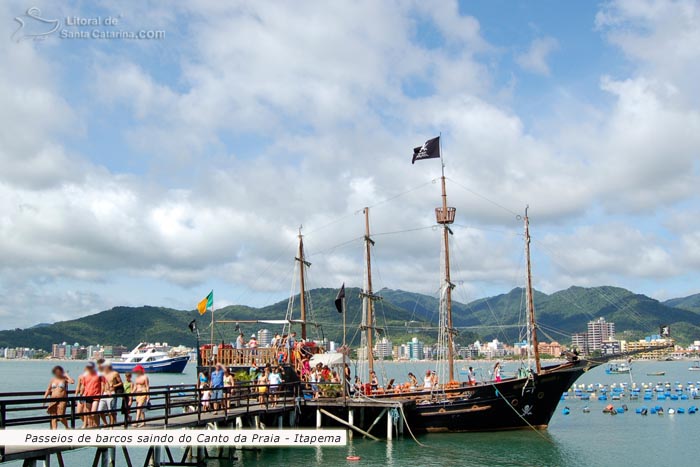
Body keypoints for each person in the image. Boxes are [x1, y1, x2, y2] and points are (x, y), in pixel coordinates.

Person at [82, 362, 105, 428]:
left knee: (93, 412)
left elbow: (102, 384)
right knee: (88, 414)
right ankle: (91, 426)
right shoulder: (85, 375)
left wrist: (101, 393)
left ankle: (97, 425)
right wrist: (81, 394)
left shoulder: (99, 374)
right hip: (87, 395)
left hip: (96, 395)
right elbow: (83, 386)